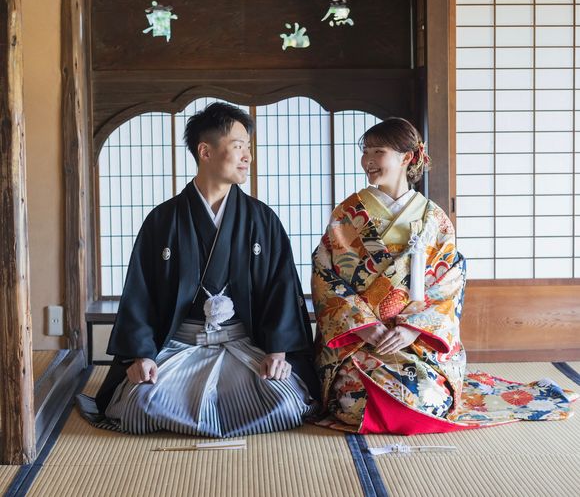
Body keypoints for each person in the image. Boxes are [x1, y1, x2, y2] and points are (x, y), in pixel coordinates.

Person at [312, 117, 577, 434]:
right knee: (354, 402)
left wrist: (412, 329)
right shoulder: (347, 215)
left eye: (378, 151)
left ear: (407, 157)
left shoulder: (434, 219)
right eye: (365, 151)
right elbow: (326, 276)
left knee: (428, 396)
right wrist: (365, 327)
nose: (367, 160)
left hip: (417, 343)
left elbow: (447, 284)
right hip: (359, 342)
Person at [78, 102, 318, 437]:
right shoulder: (163, 220)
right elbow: (140, 293)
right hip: (179, 346)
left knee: (285, 402)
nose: (248, 157)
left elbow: (281, 287)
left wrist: (278, 351)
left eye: (248, 148)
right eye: (239, 147)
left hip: (243, 346)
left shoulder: (261, 219)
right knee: (140, 403)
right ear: (205, 151)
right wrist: (141, 356)